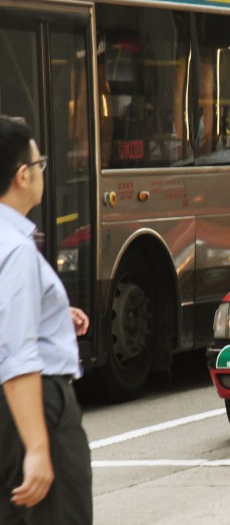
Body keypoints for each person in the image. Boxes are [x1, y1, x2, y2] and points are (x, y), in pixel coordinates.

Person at [0, 116, 93, 525]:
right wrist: (37, 446)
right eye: (39, 165)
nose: (42, 173)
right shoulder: (16, 250)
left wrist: (50, 315)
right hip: (35, 405)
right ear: (22, 175)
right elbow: (16, 352)